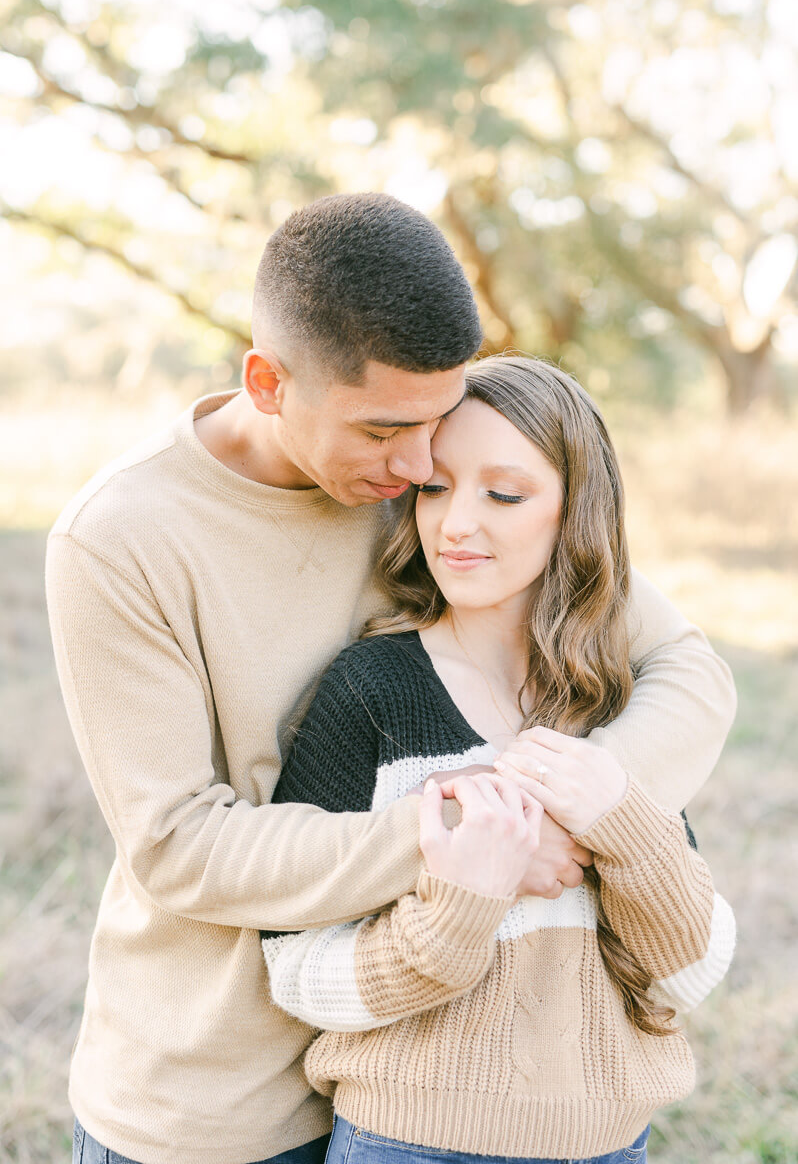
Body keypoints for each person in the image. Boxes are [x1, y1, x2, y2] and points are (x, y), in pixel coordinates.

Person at [46, 194, 736, 1164]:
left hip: (417, 1076)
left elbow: (685, 665)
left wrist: (583, 811)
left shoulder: (438, 496)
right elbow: (177, 848)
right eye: (380, 431)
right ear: (268, 381)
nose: (418, 466)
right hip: (215, 1104)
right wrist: (457, 835)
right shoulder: (119, 540)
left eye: (436, 423)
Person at [261, 355, 736, 1164]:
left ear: (573, 512)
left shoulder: (614, 706)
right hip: (407, 1143)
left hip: (610, 1148)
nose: (454, 525)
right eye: (435, 489)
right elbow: (294, 969)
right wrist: (455, 914)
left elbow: (689, 975)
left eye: (505, 495)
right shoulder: (372, 690)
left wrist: (617, 817)